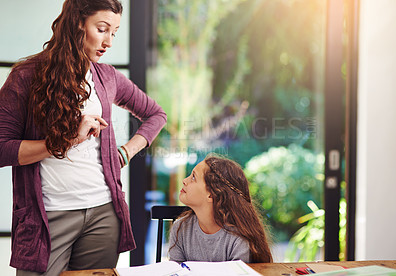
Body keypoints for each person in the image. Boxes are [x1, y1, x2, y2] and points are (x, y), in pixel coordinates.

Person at [0, 0, 166, 275]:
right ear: (78, 22)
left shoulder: (106, 76)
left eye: (114, 32)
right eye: (102, 29)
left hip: (103, 214)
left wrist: (124, 153)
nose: (109, 41)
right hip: (48, 218)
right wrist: (65, 142)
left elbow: (156, 115)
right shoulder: (26, 76)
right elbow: (2, 148)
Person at [168, 154, 273, 263]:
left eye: (193, 177)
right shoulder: (180, 228)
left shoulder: (238, 238)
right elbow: (175, 271)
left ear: (211, 195)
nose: (185, 180)